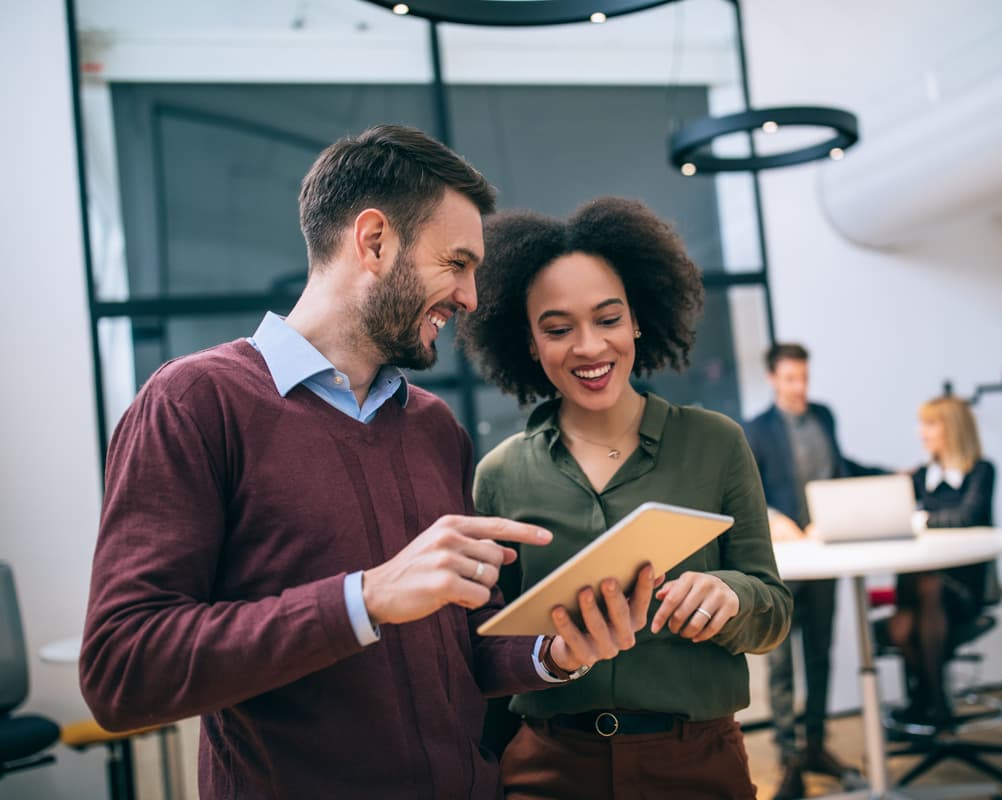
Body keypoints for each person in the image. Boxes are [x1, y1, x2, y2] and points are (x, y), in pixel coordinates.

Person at [79, 125, 656, 800]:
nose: (471, 298)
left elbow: (464, 642)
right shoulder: (194, 402)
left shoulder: (434, 426)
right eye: (458, 264)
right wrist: (366, 597)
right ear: (375, 241)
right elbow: (123, 671)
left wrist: (555, 653)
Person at [458, 197, 792, 799]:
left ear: (638, 319)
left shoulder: (715, 444)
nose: (589, 348)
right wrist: (552, 654)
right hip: (548, 767)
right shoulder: (500, 475)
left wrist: (731, 595)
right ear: (530, 343)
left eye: (608, 319)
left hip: (696, 765)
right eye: (558, 330)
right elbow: (484, 650)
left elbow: (773, 610)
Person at [742, 343, 885, 800]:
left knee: (820, 654)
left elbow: (839, 469)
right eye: (790, 379)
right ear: (772, 379)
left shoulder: (824, 416)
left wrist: (890, 476)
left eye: (803, 377)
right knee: (781, 662)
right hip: (782, 564)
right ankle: (789, 759)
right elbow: (746, 491)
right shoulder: (757, 430)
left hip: (825, 558)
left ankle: (817, 746)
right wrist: (769, 516)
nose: (799, 387)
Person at [888, 395, 996, 728]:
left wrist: (919, 519)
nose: (923, 432)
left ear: (954, 428)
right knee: (904, 622)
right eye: (922, 423)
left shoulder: (981, 471)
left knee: (927, 587)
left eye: (931, 423)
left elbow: (967, 516)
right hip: (919, 591)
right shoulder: (920, 476)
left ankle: (930, 703)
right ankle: (933, 702)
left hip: (962, 590)